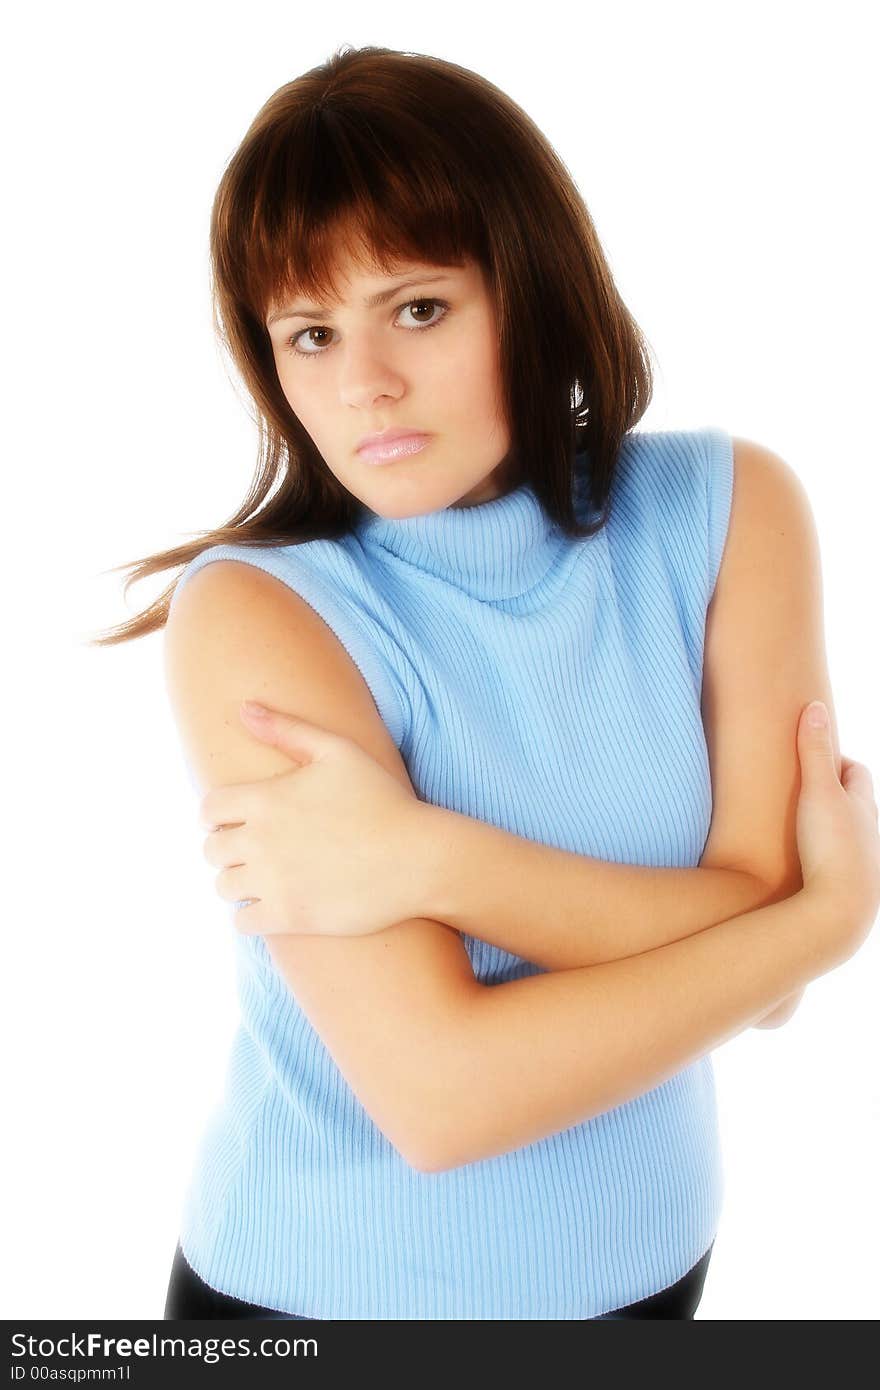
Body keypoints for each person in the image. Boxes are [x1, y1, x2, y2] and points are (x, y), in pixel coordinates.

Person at [89, 45, 880, 1321]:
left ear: (531, 285)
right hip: (321, 1306)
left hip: (657, 1270)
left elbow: (767, 936)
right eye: (309, 332)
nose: (363, 386)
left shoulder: (728, 510)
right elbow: (448, 1100)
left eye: (417, 307)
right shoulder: (260, 614)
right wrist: (817, 926)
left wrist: (426, 859)